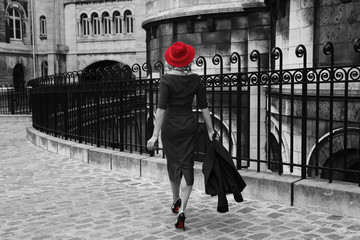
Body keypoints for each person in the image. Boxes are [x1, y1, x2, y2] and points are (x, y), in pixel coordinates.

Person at [147, 42, 215, 231]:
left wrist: (154, 135)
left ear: (171, 60)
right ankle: (182, 209)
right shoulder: (195, 79)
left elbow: (160, 109)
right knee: (187, 165)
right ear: (188, 59)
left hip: (170, 128)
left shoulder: (166, 80)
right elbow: (204, 107)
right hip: (188, 126)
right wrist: (210, 130)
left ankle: (175, 200)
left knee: (173, 163)